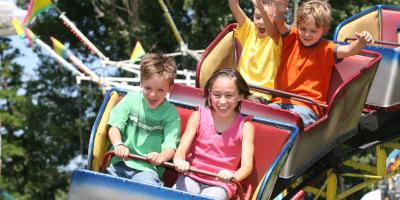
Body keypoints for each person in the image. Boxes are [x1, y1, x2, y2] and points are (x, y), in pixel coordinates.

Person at [263, 0, 374, 126]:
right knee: (258, 120)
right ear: (298, 25)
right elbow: (280, 23)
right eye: (303, 29)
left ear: (324, 30)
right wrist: (279, 9)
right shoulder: (291, 38)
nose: (307, 34)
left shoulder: (326, 49)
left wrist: (361, 41)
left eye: (313, 31)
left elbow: (349, 49)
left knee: (287, 125)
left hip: (306, 107)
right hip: (279, 102)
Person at [173, 68, 255, 200]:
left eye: (229, 95)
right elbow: (181, 150)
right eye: (217, 95)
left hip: (222, 183)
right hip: (192, 175)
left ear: (240, 96)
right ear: (210, 94)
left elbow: (247, 166)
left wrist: (233, 176)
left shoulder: (246, 127)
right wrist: (179, 160)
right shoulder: (198, 116)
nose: (222, 101)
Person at [106, 53, 181, 186]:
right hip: (121, 163)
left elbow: (170, 146)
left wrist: (161, 157)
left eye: (160, 90)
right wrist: (119, 144)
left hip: (148, 169)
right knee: (107, 186)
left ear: (170, 88)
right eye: (148, 88)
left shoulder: (171, 114)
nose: (153, 94)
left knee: (147, 187)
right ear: (141, 83)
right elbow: (114, 127)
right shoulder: (130, 100)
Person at [229, 0, 283, 104]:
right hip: (239, 90)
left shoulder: (277, 38)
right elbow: (234, 6)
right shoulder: (249, 30)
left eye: (266, 17)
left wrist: (261, 8)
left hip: (261, 95)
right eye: (257, 17)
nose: (261, 22)